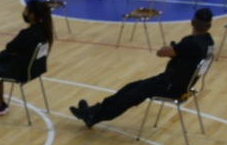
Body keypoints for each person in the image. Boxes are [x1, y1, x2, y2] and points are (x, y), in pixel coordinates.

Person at [70, 8, 214, 128]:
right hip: (182, 84)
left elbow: (161, 53)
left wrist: (172, 48)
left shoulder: (189, 44)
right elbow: (187, 58)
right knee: (131, 87)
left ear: (192, 22)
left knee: (131, 95)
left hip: (172, 87)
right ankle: (94, 113)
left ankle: (94, 115)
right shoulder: (208, 42)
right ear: (209, 26)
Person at [0, 0, 54, 116]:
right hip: (35, 69)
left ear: (32, 15)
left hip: (21, 72)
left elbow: (10, 47)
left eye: (26, 11)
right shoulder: (45, 31)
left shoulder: (27, 34)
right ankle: (0, 103)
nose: (24, 13)